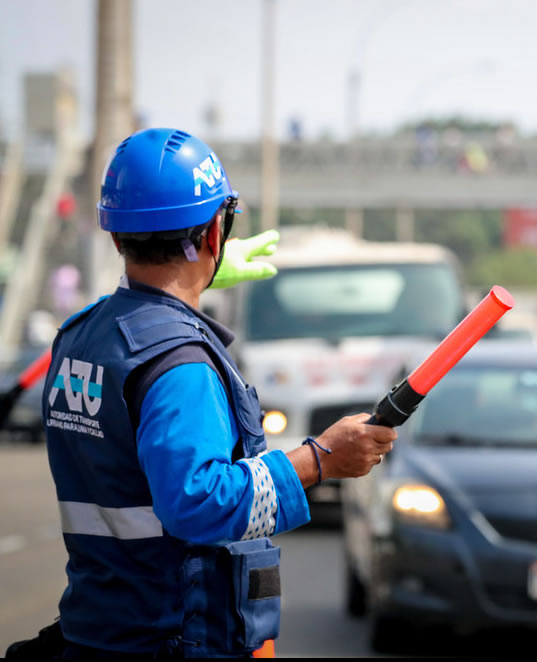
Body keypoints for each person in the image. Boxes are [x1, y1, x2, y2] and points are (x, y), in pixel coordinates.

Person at [7, 128, 396, 659]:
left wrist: (194, 284)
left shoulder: (81, 337)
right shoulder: (178, 365)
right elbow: (195, 502)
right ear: (217, 232)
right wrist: (319, 459)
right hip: (173, 638)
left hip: (97, 632)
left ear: (117, 236)